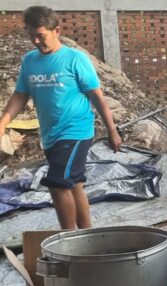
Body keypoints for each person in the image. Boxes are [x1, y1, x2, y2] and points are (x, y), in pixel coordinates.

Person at [0, 6, 122, 229]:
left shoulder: (75, 58)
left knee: (57, 184)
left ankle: (68, 239)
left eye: (41, 35)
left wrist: (112, 131)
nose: (36, 41)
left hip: (76, 131)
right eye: (31, 35)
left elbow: (97, 97)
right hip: (50, 134)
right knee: (74, 184)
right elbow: (20, 95)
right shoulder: (29, 61)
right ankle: (87, 234)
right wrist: (3, 122)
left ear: (57, 30)